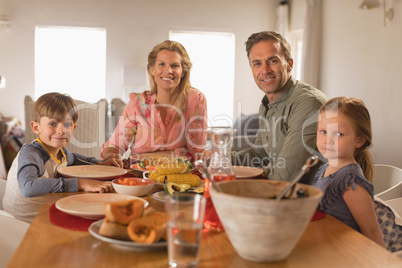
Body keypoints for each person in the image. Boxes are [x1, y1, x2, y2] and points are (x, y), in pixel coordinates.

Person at [2, 92, 120, 222]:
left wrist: (100, 164)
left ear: (74, 127)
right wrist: (80, 183)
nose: (61, 130)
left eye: (67, 124)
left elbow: (74, 159)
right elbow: (28, 187)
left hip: (43, 212)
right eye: (52, 124)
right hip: (20, 223)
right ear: (36, 127)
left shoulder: (60, 153)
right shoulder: (30, 152)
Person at [231, 31, 328, 183]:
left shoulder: (307, 102)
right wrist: (218, 160)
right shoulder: (266, 105)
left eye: (273, 61)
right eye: (257, 63)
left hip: (308, 199)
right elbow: (259, 155)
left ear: (289, 64)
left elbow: (286, 175)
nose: (265, 70)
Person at [101, 40, 208, 164]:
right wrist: (112, 156)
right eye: (162, 64)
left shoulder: (195, 99)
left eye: (175, 65)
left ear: (183, 72)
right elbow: (115, 145)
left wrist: (150, 157)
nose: (168, 70)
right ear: (152, 69)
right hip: (140, 175)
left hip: (180, 173)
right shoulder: (137, 104)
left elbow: (196, 152)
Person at [312, 97, 385, 247]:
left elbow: (372, 232)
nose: (328, 140)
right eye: (323, 131)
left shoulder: (351, 181)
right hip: (323, 245)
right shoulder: (323, 169)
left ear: (359, 140)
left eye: (338, 134)